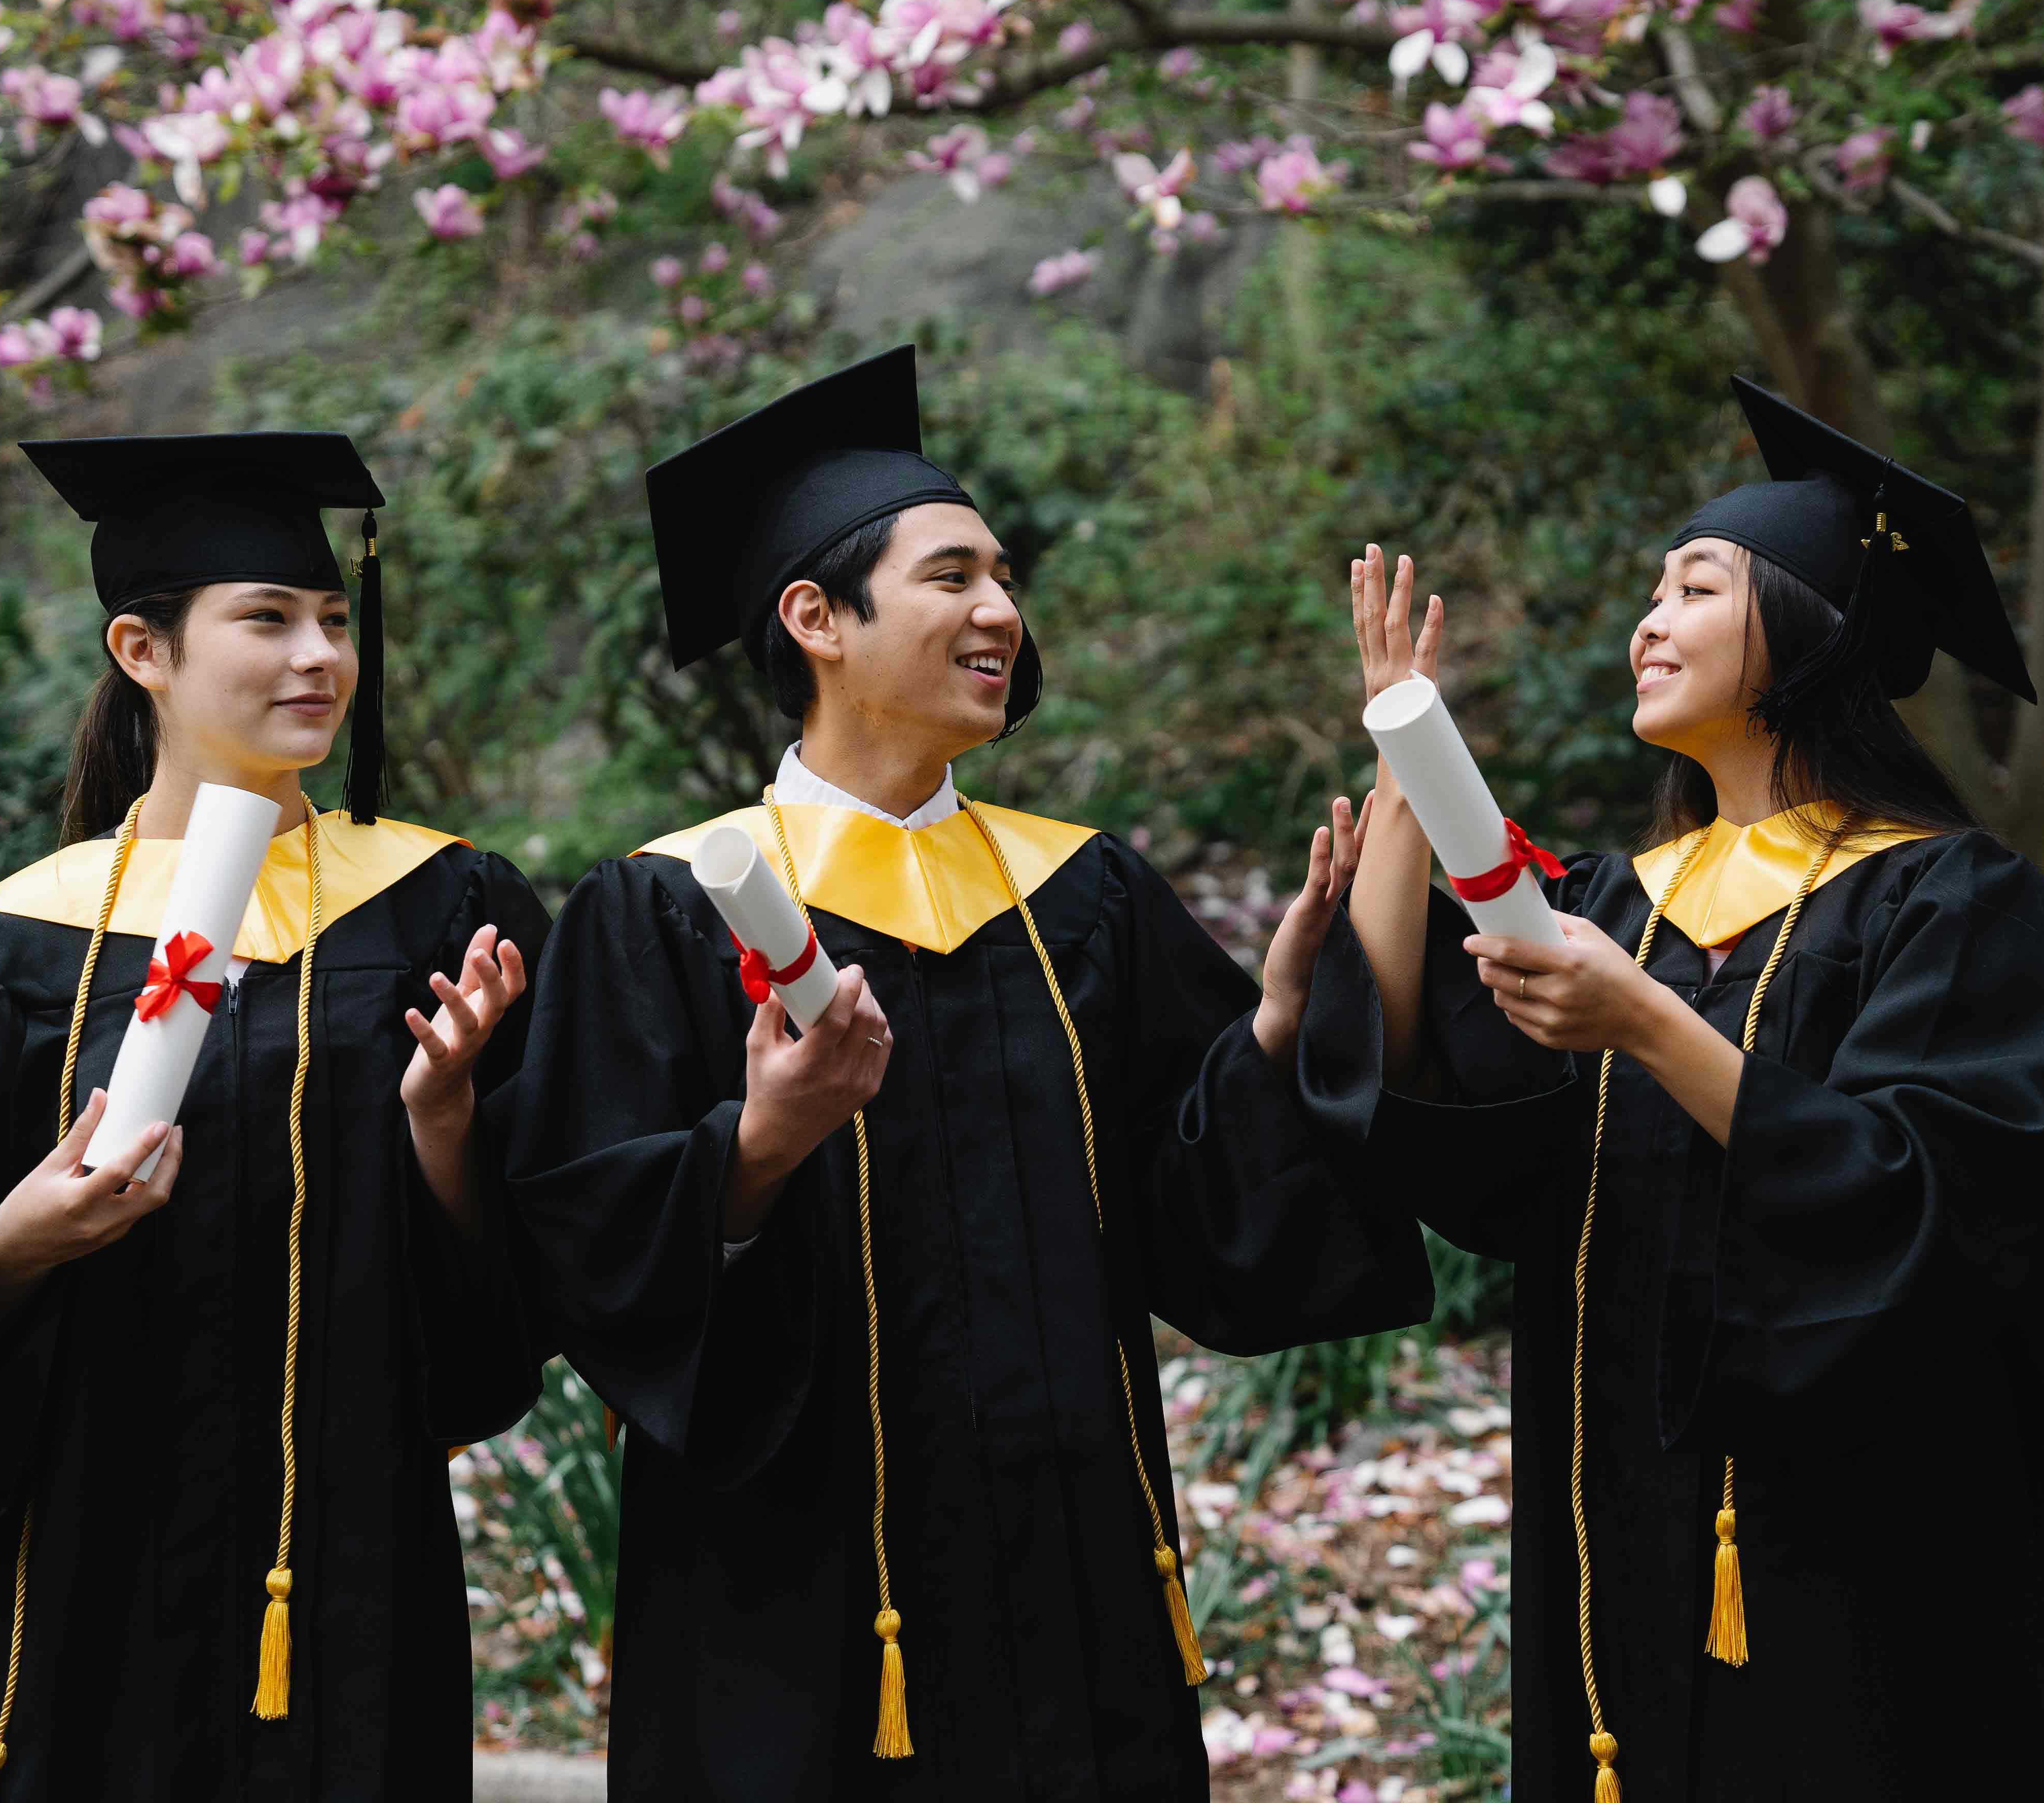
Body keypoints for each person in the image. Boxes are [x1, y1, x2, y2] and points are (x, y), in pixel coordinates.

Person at [500, 345, 1434, 1800]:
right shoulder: (663, 912)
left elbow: (1201, 1207)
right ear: (816, 617)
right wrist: (756, 1146)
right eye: (952, 577)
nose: (1001, 609)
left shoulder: (1083, 895)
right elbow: (577, 1237)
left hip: (1073, 1582)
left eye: (1004, 577)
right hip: (798, 1610)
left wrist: (1271, 1025)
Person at [1329, 378, 2044, 1802]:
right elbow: (1449, 1098)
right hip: (1617, 1494)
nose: (1647, 622)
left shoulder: (1951, 902)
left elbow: (1929, 1201)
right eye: (1652, 590)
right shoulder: (1625, 902)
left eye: (1694, 587)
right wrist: (1408, 749)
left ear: (1811, 636)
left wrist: (1647, 1025)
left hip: (1858, 1536)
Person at [0, 432, 553, 1803]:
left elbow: (523, 1279)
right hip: (72, 1554)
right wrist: (15, 1241)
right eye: (267, 620)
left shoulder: (446, 910)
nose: (321, 657)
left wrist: (447, 1123)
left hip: (338, 1558)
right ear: (142, 651)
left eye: (334, 620)